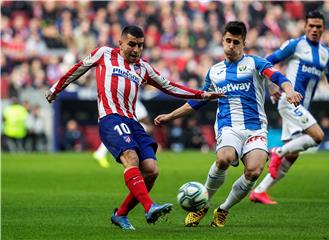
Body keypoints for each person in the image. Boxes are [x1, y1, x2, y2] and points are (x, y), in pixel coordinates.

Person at [45, 25, 223, 230]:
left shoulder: (143, 67)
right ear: (120, 43)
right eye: (131, 44)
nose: (136, 50)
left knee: (151, 170)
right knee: (131, 158)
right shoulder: (104, 54)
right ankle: (149, 207)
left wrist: (201, 94)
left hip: (133, 122)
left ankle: (121, 215)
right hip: (111, 118)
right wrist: (55, 89)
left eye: (140, 45)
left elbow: (170, 86)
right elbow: (77, 69)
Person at [154, 21, 302, 227]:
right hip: (228, 126)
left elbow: (279, 77)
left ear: (243, 43)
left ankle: (223, 209)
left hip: (255, 127)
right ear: (222, 41)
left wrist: (290, 90)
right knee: (224, 159)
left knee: (254, 171)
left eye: (236, 42)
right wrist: (170, 116)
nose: (231, 45)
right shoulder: (214, 72)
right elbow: (198, 100)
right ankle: (202, 204)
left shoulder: (255, 63)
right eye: (228, 41)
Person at [249, 10, 329, 205]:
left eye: (318, 27)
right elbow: (266, 62)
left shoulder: (325, 53)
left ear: (323, 29)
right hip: (289, 100)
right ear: (305, 26)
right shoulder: (295, 44)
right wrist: (272, 84)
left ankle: (259, 191)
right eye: (311, 26)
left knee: (293, 155)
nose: (314, 29)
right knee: (318, 136)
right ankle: (276, 152)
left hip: (303, 106)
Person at [93, 100, 152, 168]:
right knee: (143, 127)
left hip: (124, 123)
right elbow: (144, 118)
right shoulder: (131, 100)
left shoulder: (134, 100)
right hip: (120, 123)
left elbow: (143, 118)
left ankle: (101, 153)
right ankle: (101, 153)